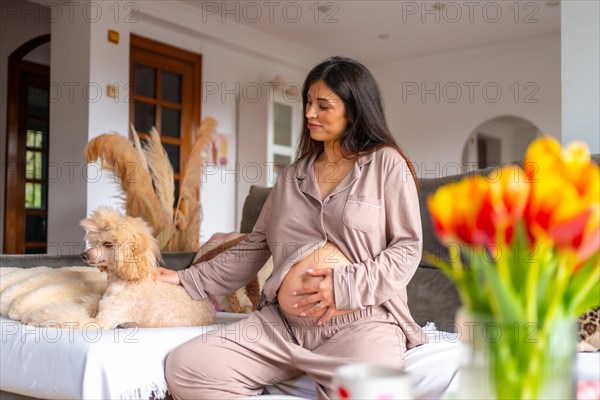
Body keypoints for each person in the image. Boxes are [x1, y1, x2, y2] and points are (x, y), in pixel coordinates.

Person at [153, 56, 426, 399]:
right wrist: (185, 277)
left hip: (359, 323)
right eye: (308, 102)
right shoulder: (292, 176)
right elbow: (256, 246)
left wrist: (343, 288)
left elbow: (407, 249)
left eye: (323, 105)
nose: (310, 113)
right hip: (283, 327)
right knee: (187, 367)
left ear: (354, 112)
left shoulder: (386, 164)